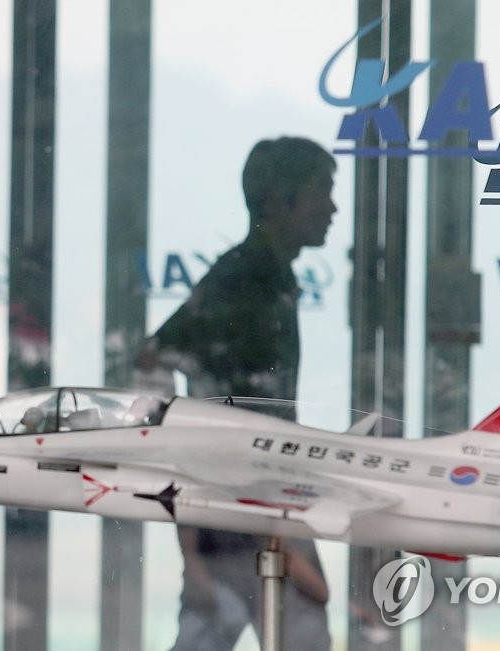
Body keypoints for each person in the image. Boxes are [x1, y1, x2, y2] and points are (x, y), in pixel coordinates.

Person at [137, 136, 337, 651]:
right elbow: (155, 361)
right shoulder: (246, 279)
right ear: (279, 202)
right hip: (247, 501)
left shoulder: (262, 275)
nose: (332, 208)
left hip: (248, 499)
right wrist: (189, 463)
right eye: (321, 192)